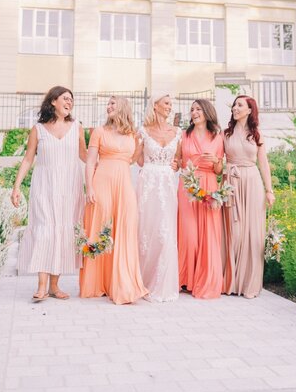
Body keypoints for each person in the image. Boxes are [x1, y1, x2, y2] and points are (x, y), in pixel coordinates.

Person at [12, 86, 86, 302]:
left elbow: (84, 155)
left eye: (71, 99)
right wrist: (16, 186)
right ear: (53, 101)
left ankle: (54, 285)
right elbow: (28, 159)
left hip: (70, 189)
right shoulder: (38, 129)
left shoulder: (77, 128)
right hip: (44, 188)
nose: (69, 102)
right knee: (45, 231)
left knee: (63, 233)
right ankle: (42, 286)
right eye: (65, 98)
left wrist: (106, 170)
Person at [81, 97, 148, 304]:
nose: (108, 107)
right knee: (101, 228)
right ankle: (97, 283)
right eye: (108, 104)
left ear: (123, 108)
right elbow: (90, 162)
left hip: (125, 184)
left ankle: (123, 282)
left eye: (112, 103)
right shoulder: (99, 132)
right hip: (102, 183)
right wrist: (90, 187)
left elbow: (139, 161)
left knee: (125, 228)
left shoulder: (133, 135)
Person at [222, 95, 275, 298]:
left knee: (252, 234)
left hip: (252, 183)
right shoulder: (225, 134)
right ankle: (231, 281)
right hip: (231, 182)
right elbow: (218, 159)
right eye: (234, 104)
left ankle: (249, 284)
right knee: (234, 233)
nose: (235, 108)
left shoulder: (256, 135)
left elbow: (264, 164)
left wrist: (269, 190)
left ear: (249, 110)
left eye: (239, 105)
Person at [175, 99, 225, 299]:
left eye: (198, 109)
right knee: (189, 235)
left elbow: (219, 170)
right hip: (187, 186)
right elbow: (178, 160)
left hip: (210, 185)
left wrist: (216, 162)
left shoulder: (218, 137)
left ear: (207, 112)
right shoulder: (184, 135)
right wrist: (175, 163)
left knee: (208, 234)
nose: (194, 112)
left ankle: (204, 280)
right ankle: (186, 278)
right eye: (192, 110)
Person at [134, 94, 182, 302]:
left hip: (168, 183)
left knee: (166, 231)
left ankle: (163, 284)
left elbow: (178, 159)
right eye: (166, 103)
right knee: (146, 231)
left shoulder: (178, 132)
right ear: (155, 106)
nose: (169, 107)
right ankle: (143, 280)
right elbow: (138, 159)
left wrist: (176, 165)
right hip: (148, 184)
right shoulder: (143, 131)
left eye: (171, 104)